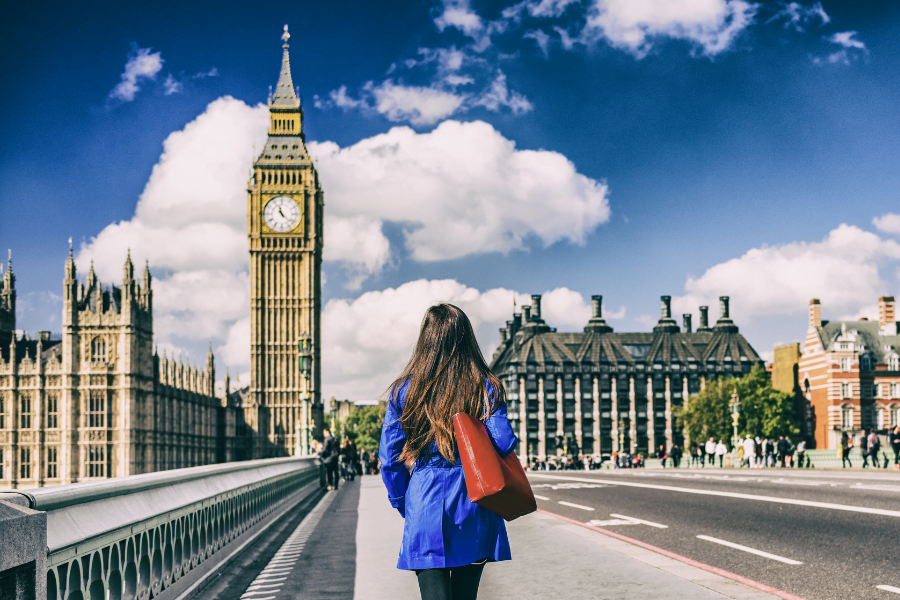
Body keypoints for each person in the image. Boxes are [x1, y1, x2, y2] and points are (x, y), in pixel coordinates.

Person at [379, 303, 517, 600]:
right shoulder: (485, 386)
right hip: (474, 500)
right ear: (466, 339)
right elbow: (504, 443)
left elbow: (389, 461)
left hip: (424, 498)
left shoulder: (404, 391)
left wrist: (403, 501)